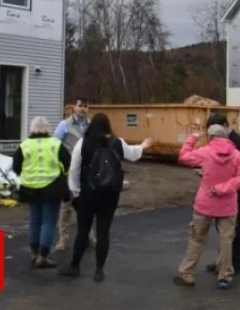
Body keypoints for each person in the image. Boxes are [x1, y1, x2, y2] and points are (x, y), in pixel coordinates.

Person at [60, 113, 154, 282]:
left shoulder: (83, 142)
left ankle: (74, 266)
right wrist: (142, 146)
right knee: (103, 231)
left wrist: (75, 192)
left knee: (83, 231)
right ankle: (99, 270)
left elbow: (74, 169)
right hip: (110, 194)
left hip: (88, 194)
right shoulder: (117, 142)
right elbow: (133, 154)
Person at [173, 124, 240, 290]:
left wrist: (192, 138)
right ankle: (225, 276)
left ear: (210, 137)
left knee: (197, 239)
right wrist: (223, 188)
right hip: (228, 204)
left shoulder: (205, 152)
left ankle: (187, 274)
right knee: (226, 241)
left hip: (204, 203)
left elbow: (183, 157)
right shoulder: (236, 155)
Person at [13, 116, 70, 268]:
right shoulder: (55, 144)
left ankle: (34, 252)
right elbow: (67, 161)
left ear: (32, 128)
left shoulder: (24, 145)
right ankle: (43, 256)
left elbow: (16, 167)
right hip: (52, 187)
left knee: (34, 219)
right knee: (49, 221)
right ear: (47, 129)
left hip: (30, 188)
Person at [203, 112, 240, 276]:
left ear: (224, 126)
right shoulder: (219, 142)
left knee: (238, 230)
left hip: (239, 193)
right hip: (222, 192)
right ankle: (222, 262)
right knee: (223, 231)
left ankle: (235, 264)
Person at [52, 97, 96, 251]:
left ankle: (89, 236)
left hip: (87, 172)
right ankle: (63, 240)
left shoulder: (91, 126)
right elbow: (55, 146)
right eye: (80, 106)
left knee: (86, 206)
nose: (83, 109)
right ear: (74, 108)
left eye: (86, 106)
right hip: (69, 171)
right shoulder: (64, 125)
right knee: (67, 207)